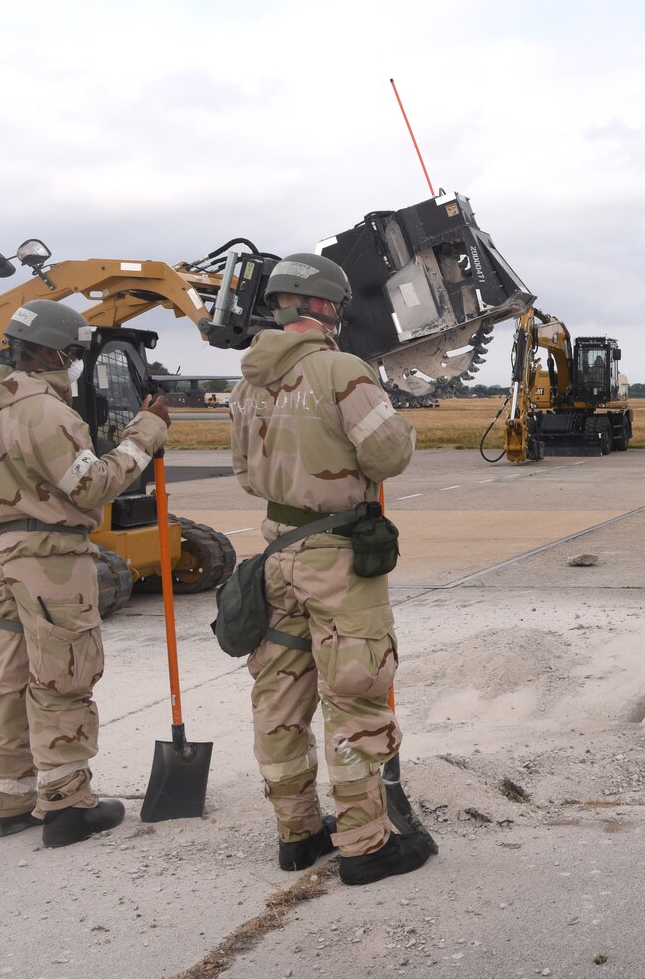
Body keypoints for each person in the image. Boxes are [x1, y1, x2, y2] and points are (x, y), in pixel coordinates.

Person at [229, 252, 435, 884]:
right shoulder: (342, 371)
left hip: (275, 555)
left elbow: (243, 474)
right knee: (354, 695)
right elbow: (390, 453)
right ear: (323, 307)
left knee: (280, 700)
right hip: (337, 559)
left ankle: (298, 834)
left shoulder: (248, 382)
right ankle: (365, 846)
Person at [0, 299, 170, 845]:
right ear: (56, 351)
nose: (75, 363)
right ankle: (67, 804)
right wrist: (145, 433)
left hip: (0, 553)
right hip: (50, 558)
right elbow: (93, 484)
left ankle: (4, 800)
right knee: (63, 674)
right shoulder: (46, 411)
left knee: (7, 677)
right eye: (74, 353)